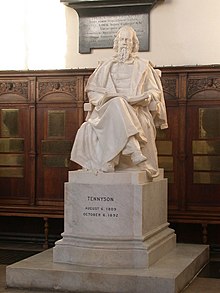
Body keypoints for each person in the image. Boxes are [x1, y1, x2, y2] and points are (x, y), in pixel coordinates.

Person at [71, 25, 168, 178]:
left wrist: (147, 97)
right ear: (116, 43)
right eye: (121, 40)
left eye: (127, 40)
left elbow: (154, 91)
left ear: (133, 44)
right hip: (105, 110)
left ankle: (111, 158)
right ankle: (133, 149)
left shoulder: (143, 67)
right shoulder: (105, 66)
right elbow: (92, 91)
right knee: (117, 102)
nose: (124, 43)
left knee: (119, 103)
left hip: (135, 108)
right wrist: (104, 99)